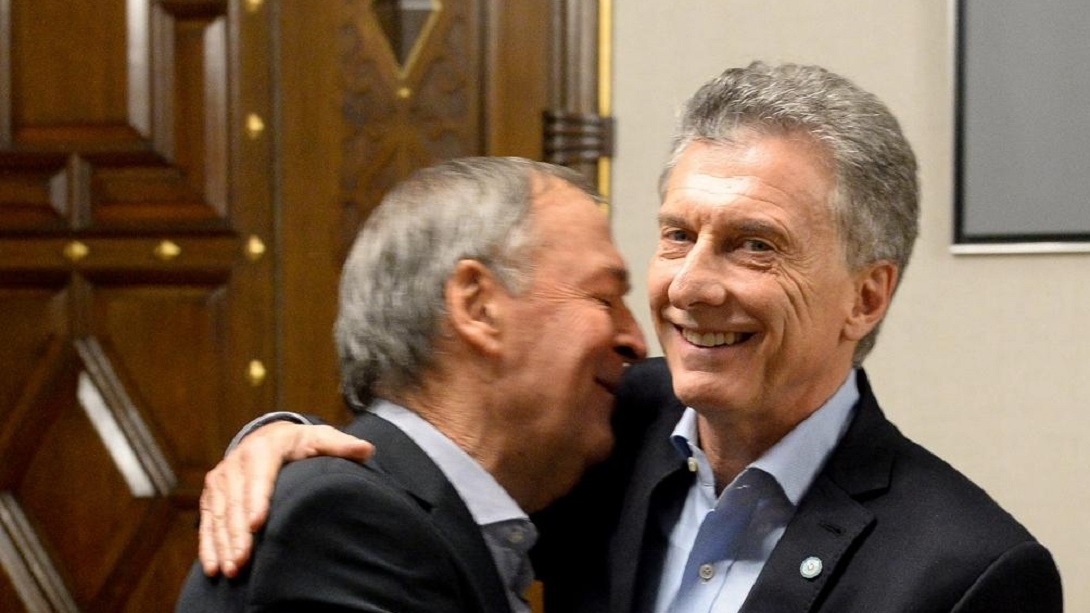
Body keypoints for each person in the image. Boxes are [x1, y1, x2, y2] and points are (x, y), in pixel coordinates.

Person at [196, 62, 1063, 612]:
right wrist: (279, 442)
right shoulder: (612, 422)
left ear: (866, 296)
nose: (689, 285)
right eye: (678, 235)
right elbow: (430, 472)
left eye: (755, 245)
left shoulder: (969, 572)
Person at [175, 156, 648, 612]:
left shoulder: (433, 513)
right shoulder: (344, 522)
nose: (636, 341)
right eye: (604, 298)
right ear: (478, 306)